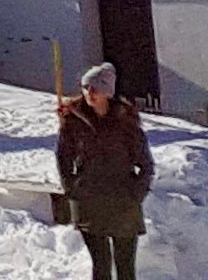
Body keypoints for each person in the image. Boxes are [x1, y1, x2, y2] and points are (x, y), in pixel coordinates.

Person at [54, 61, 151, 280]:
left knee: (125, 269)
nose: (89, 93)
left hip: (122, 201)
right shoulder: (73, 120)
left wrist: (136, 194)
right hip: (89, 201)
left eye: (95, 88)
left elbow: (146, 164)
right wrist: (72, 188)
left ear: (108, 92)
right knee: (100, 267)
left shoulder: (126, 121)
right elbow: (63, 157)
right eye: (86, 87)